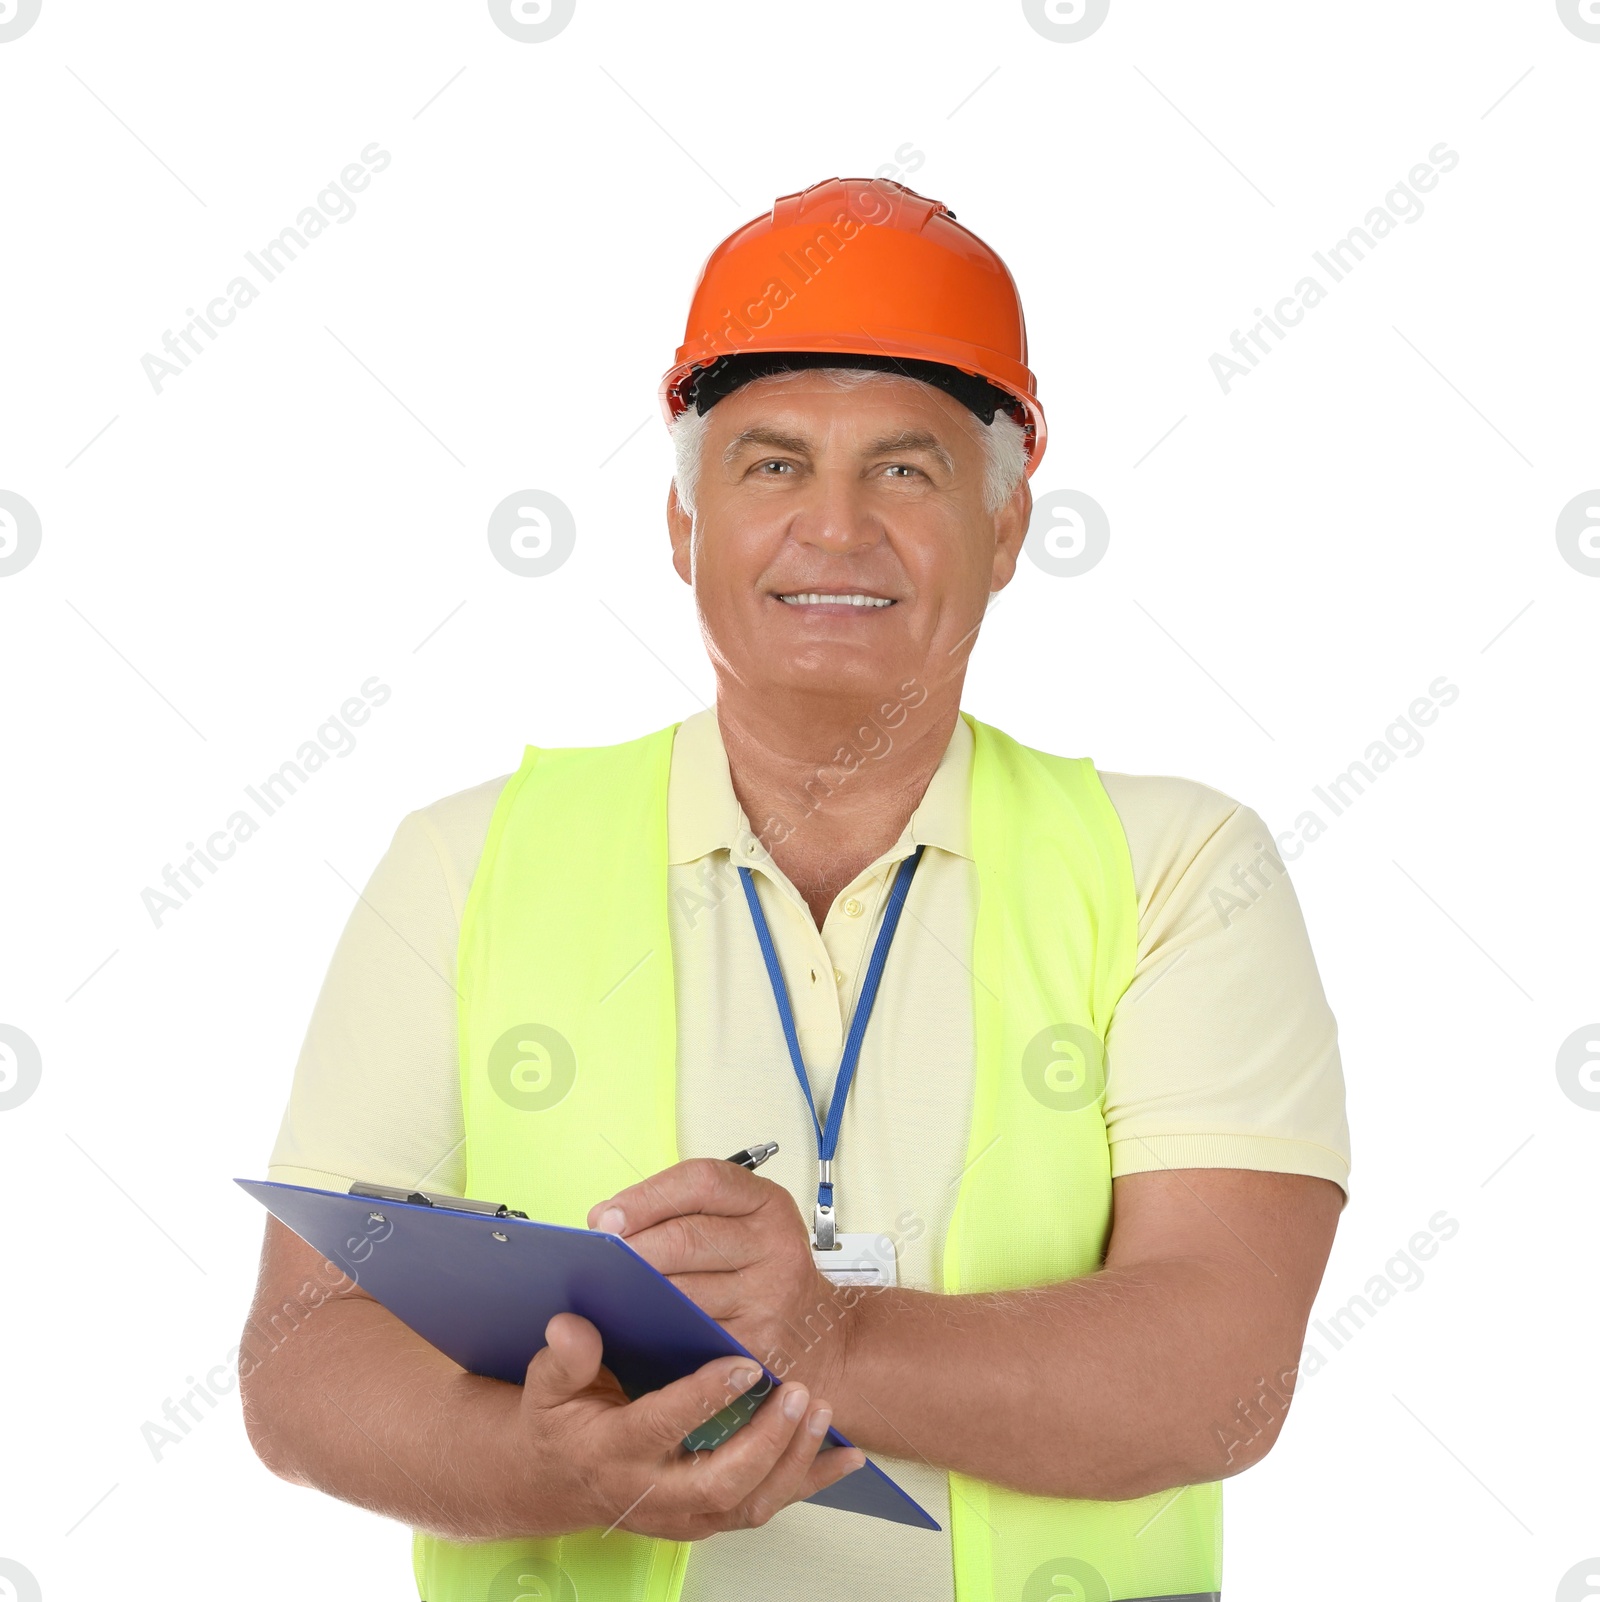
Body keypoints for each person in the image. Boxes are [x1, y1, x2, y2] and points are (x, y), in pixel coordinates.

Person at [240, 176, 1349, 1602]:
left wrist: (832, 1337)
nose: (837, 527)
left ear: (1007, 532)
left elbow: (1222, 1371)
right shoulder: (466, 863)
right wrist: (555, 1465)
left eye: (907, 468)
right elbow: (304, 1359)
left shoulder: (1180, 868)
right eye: (772, 465)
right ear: (684, 527)